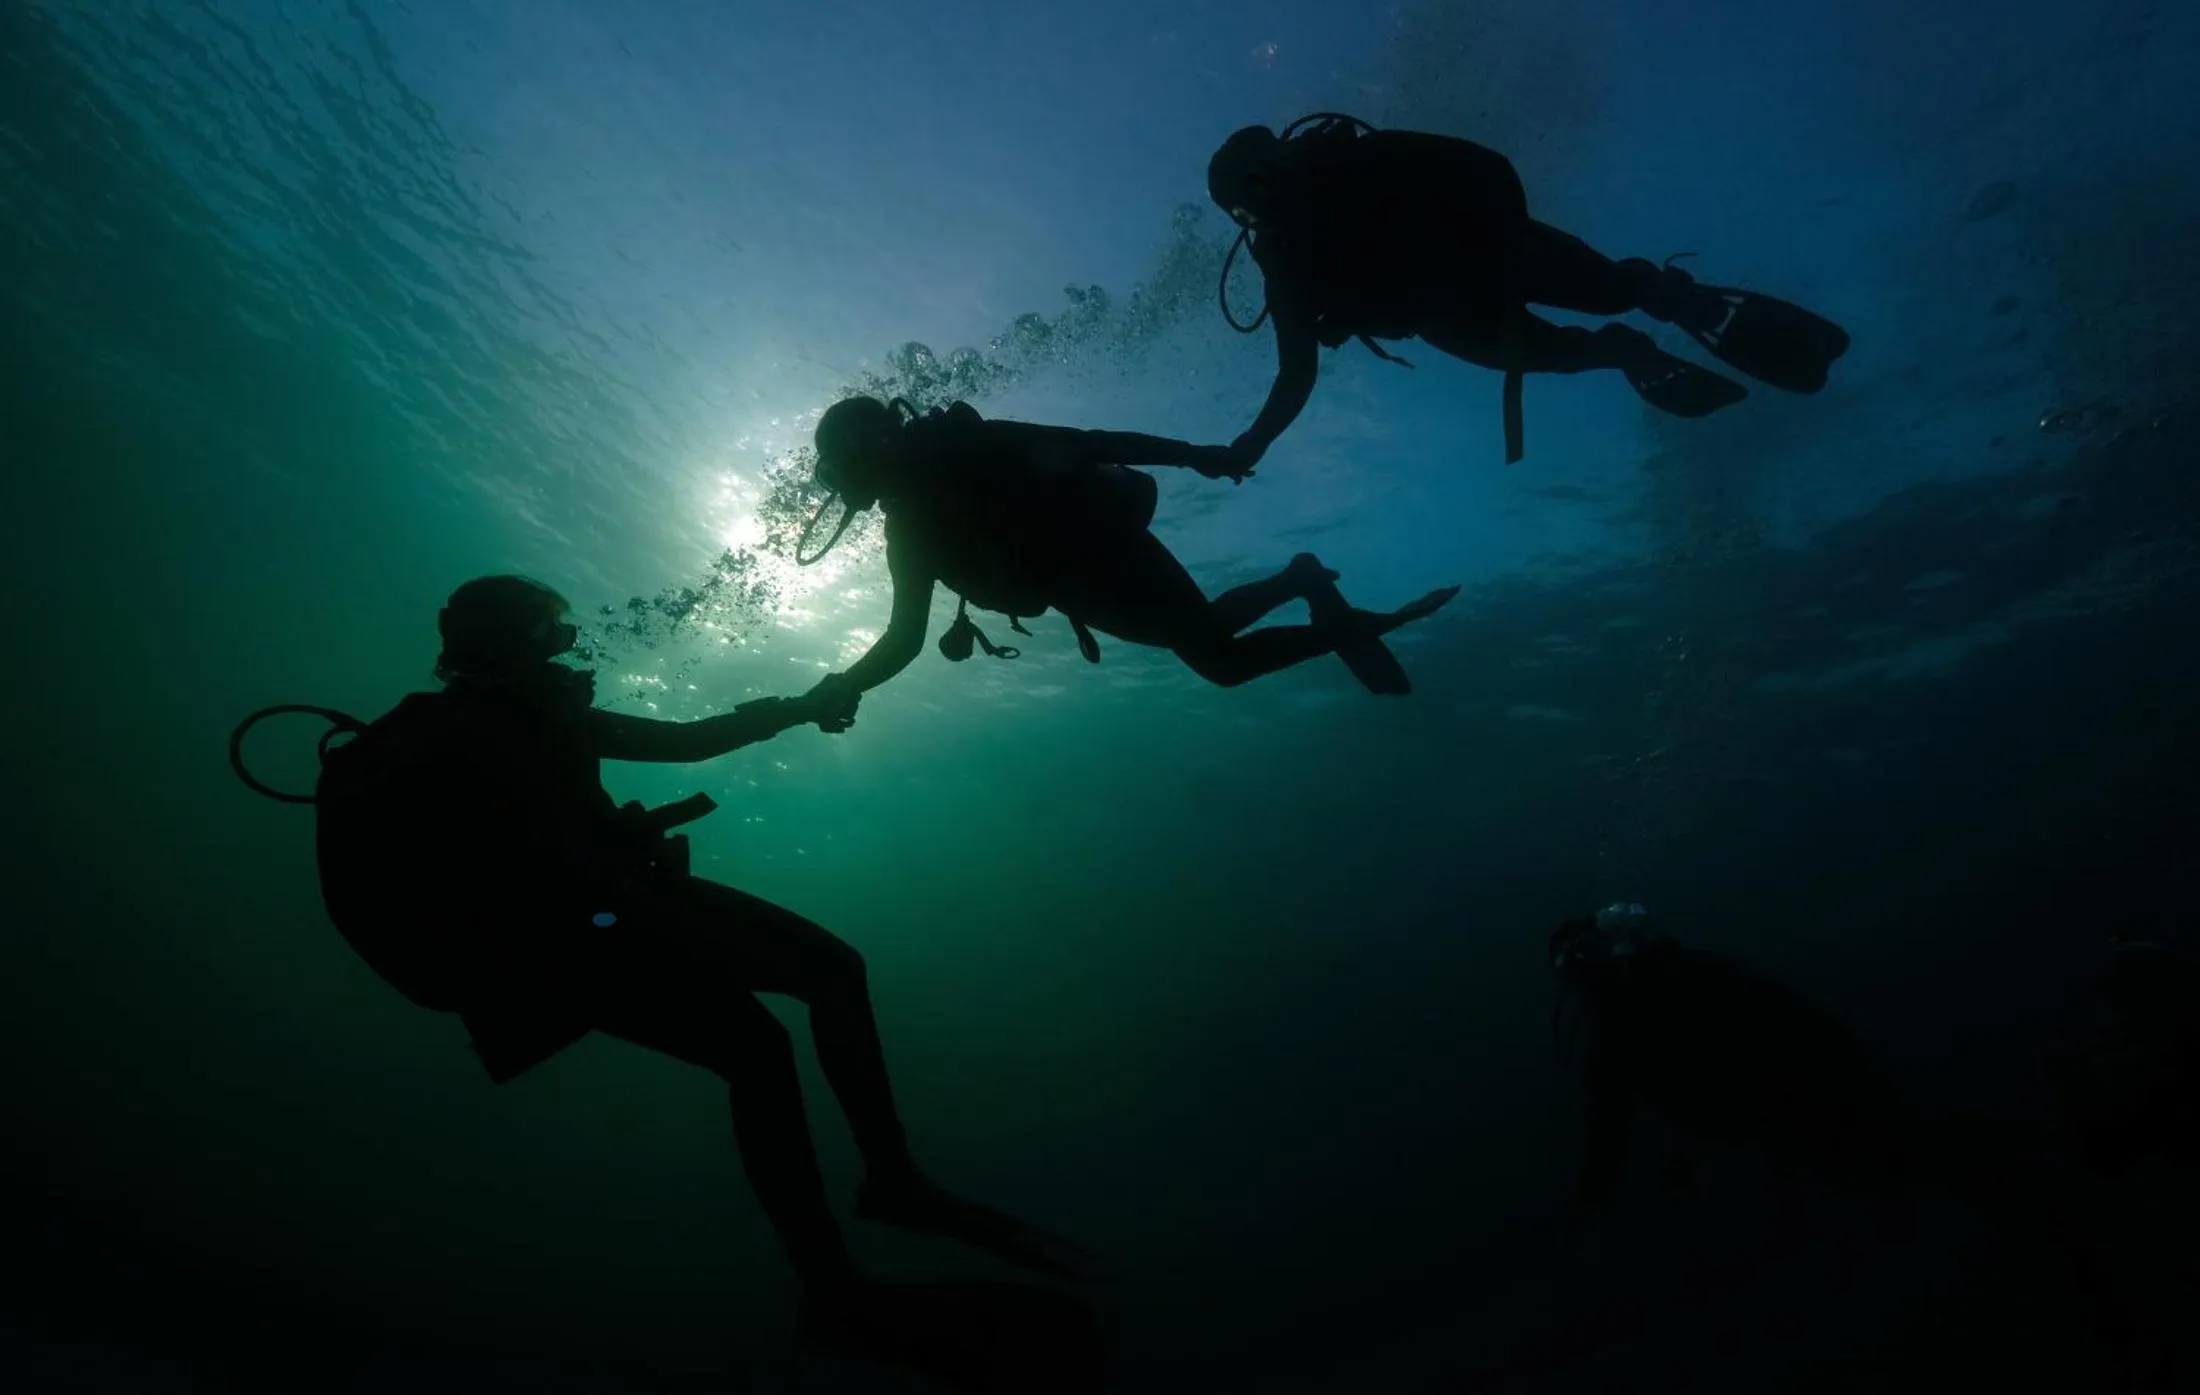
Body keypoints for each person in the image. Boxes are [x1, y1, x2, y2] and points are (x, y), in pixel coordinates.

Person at [229, 576, 1100, 1376]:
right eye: (555, 633)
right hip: (594, 930)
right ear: (522, 639)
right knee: (830, 972)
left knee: (758, 1051)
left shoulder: (462, 721)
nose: (571, 649)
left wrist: (787, 714)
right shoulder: (504, 719)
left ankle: (836, 1283)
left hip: (556, 955)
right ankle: (889, 1188)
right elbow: (661, 761)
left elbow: (660, 757)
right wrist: (791, 714)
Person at [1206, 114, 1852, 467]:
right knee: (1572, 342)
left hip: (1493, 252)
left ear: (1270, 168)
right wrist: (1256, 439)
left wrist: (1501, 247)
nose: (1259, 215)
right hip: (1457, 307)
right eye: (1246, 215)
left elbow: (1483, 168)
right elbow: (1298, 368)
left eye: (1251, 203)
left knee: (1608, 292)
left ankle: (1657, 300)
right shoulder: (1285, 258)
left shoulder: (1357, 161)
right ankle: (1630, 343)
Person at [791, 396, 1461, 706]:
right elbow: (904, 638)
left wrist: (1198, 456)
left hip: (1107, 546)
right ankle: (1301, 577)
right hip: (1079, 586)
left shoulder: (969, 446)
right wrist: (843, 685)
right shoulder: (907, 530)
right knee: (1208, 641)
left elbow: (1089, 442)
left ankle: (1357, 609)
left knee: (1216, 657)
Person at [1548, 905, 1996, 1209]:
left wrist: (1586, 1208)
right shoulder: (1616, 1033)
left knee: (1904, 1158)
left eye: (1586, 950)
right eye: (1572, 962)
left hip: (1806, 1098)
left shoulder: (1678, 977)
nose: (1584, 965)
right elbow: (1610, 1127)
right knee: (1901, 1166)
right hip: (1786, 1114)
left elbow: (1786, 1014)